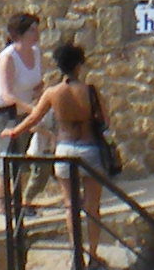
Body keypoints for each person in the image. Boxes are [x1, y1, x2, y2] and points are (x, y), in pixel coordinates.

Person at [8, 38, 112, 243]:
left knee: (70, 206)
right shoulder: (91, 91)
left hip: (64, 150)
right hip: (90, 148)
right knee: (92, 207)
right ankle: (93, 254)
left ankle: (77, 255)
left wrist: (14, 131)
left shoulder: (52, 93)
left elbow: (34, 118)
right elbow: (106, 121)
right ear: (79, 65)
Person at [0, 10, 46, 216]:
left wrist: (39, 95)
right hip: (2, 111)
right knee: (7, 151)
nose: (36, 33)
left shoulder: (36, 53)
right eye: (32, 30)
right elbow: (7, 93)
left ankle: (11, 198)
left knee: (20, 153)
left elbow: (37, 82)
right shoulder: (8, 57)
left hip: (24, 110)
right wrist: (35, 110)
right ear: (19, 34)